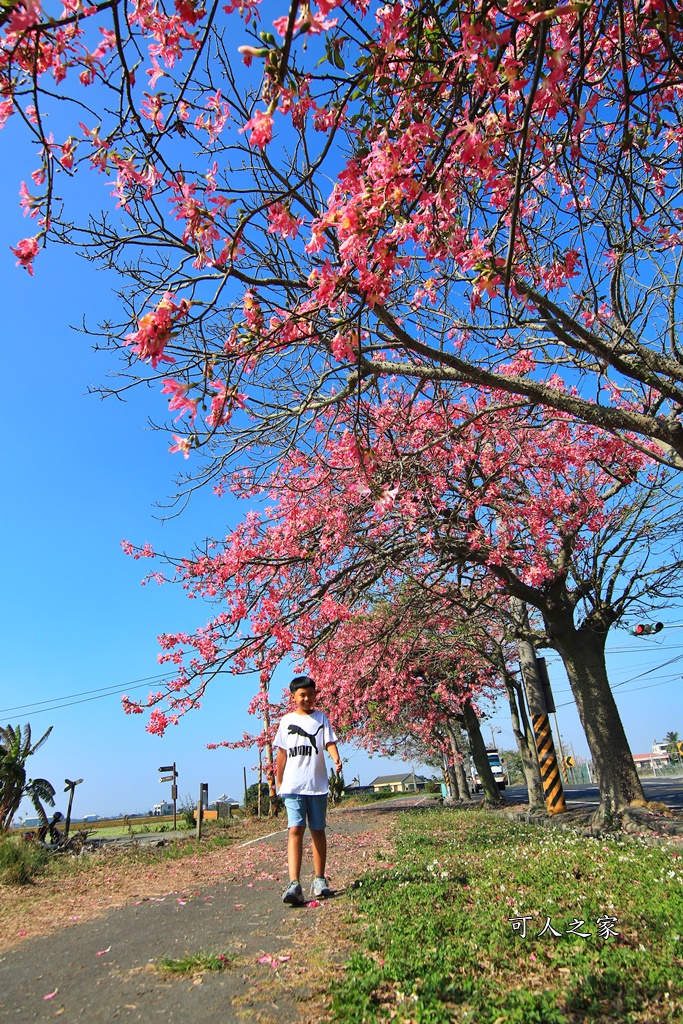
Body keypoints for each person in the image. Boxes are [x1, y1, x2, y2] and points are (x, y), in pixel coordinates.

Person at [274, 675, 342, 906]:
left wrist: (335, 758)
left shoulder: (321, 718)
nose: (307, 698)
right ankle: (294, 884)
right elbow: (281, 753)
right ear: (293, 697)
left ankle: (320, 880)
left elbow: (328, 742)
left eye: (311, 694)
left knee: (318, 830)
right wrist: (278, 781)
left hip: (317, 785)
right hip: (293, 785)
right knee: (295, 829)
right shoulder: (286, 721)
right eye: (302, 695)